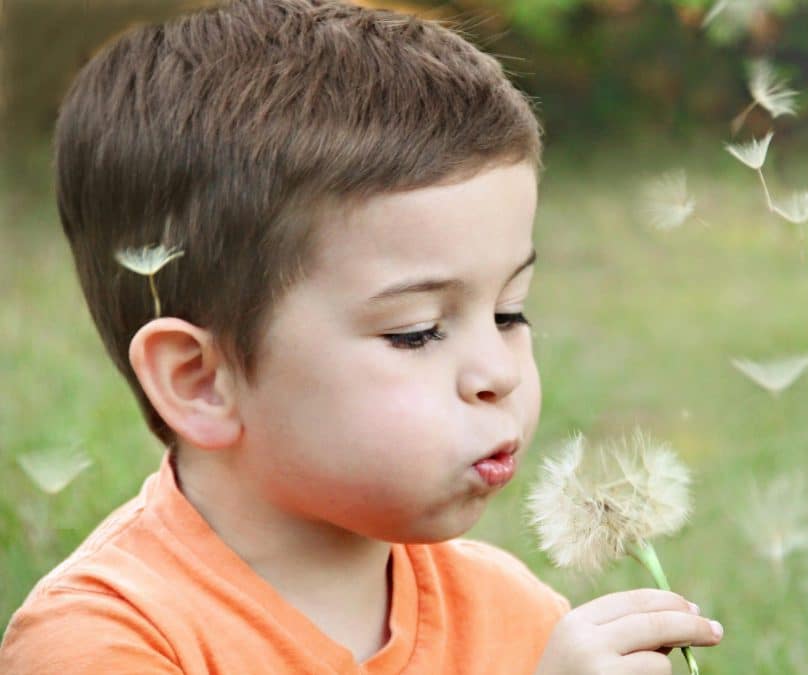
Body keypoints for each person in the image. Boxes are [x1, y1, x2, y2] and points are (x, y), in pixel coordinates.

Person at [0, 1, 724, 672]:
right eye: (416, 332)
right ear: (200, 380)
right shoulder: (104, 641)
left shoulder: (516, 614)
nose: (497, 372)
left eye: (509, 311)